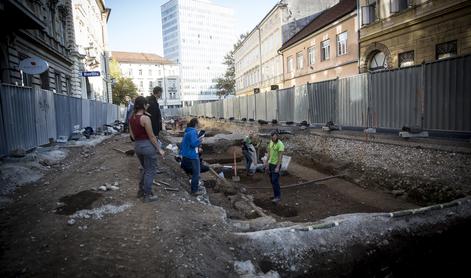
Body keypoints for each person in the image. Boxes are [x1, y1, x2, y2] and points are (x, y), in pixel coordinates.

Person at [129, 96, 165, 203]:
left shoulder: (132, 118)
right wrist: (159, 149)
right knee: (150, 171)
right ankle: (147, 195)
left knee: (146, 169)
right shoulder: (145, 118)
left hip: (137, 146)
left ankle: (141, 191)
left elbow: (132, 136)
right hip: (147, 147)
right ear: (144, 105)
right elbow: (152, 136)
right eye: (146, 104)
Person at [180, 118, 204, 195]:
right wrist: (200, 140)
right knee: (196, 173)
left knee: (195, 173)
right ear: (196, 124)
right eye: (199, 122)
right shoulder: (193, 132)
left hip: (186, 154)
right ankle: (194, 191)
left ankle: (195, 187)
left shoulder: (188, 131)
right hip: (192, 156)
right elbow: (193, 144)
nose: (200, 124)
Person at [265, 130, 284, 204]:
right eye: (273, 136)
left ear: (277, 136)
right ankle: (275, 195)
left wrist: (277, 167)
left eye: (275, 136)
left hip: (276, 164)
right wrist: (266, 162)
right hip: (271, 164)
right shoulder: (271, 142)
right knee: (272, 181)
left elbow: (280, 157)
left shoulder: (280, 144)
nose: (274, 137)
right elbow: (269, 153)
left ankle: (278, 197)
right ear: (271, 137)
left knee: (275, 180)